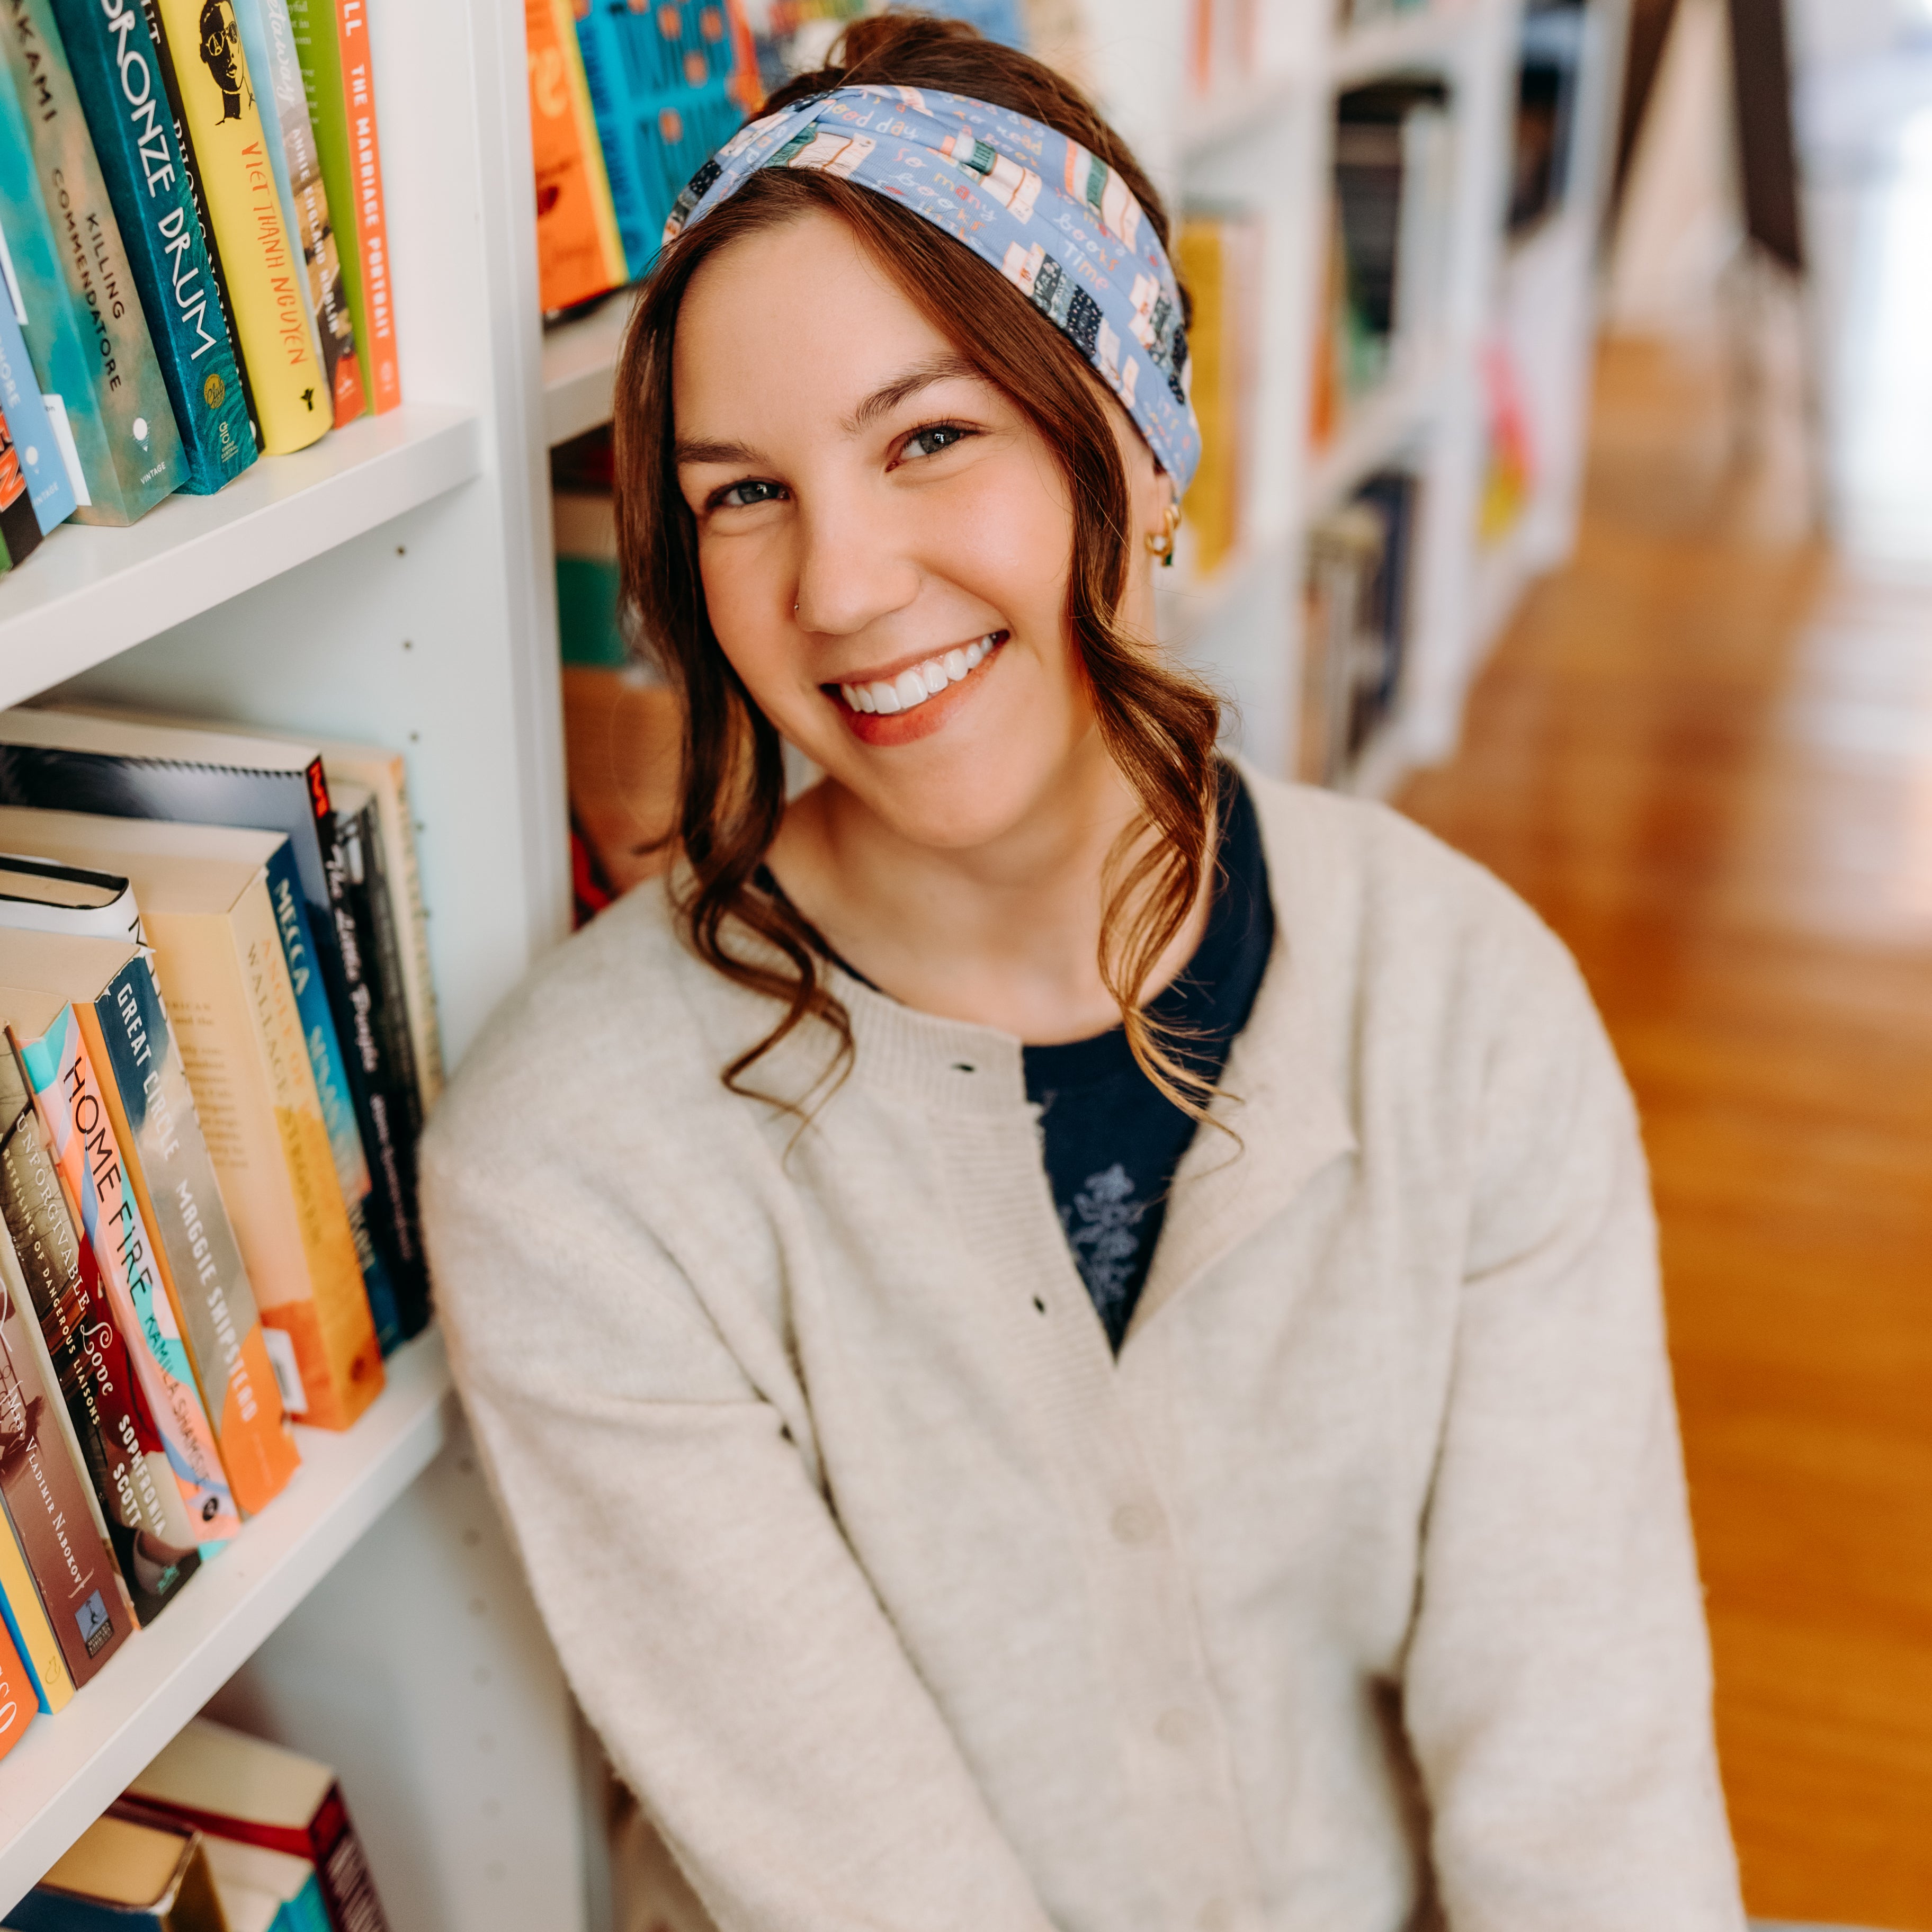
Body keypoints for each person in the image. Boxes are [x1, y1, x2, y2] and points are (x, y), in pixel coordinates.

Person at [420, 18, 1746, 1929]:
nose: (843, 585)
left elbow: (1587, 1798)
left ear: (1133, 433)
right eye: (741, 493)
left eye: (931, 437)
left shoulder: (1466, 1009)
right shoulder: (576, 1165)